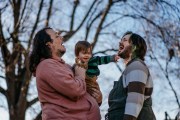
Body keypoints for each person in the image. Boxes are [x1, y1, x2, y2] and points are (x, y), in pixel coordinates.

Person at [29, 27, 101, 120]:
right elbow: (75, 90)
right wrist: (79, 75)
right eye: (57, 36)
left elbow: (82, 92)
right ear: (49, 44)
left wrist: (96, 98)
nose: (61, 38)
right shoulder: (46, 65)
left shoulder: (65, 67)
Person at [106, 31, 156, 120]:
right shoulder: (131, 68)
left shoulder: (136, 66)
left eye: (125, 40)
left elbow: (135, 102)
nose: (120, 42)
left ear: (134, 47)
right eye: (121, 40)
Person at [74, 41, 119, 105]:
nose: (87, 55)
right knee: (84, 94)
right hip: (83, 83)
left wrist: (112, 58)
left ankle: (95, 104)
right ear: (77, 54)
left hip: (92, 82)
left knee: (95, 93)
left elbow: (102, 59)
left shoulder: (93, 60)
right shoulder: (76, 65)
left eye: (89, 53)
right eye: (84, 53)